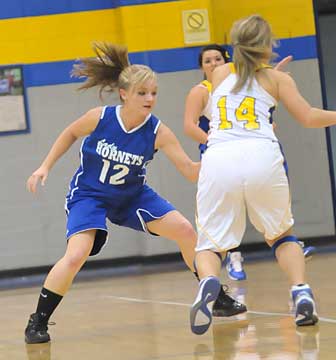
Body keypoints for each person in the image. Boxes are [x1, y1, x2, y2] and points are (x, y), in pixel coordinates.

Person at [24, 42, 246, 344]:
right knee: (76, 255)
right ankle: (38, 321)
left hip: (133, 196)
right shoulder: (100, 117)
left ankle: (216, 296)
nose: (149, 99)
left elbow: (189, 170)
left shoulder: (158, 131)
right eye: (142, 93)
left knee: (184, 230)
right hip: (90, 195)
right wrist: (44, 166)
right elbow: (70, 133)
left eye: (153, 93)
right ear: (124, 93)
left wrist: (219, 155)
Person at [189, 14, 330, 335]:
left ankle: (210, 281)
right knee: (282, 235)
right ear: (268, 45)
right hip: (261, 156)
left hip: (219, 157)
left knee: (210, 244)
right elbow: (308, 117)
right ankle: (300, 291)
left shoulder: (221, 73)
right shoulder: (278, 80)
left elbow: (243, 92)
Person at [184, 44, 315, 282]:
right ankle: (280, 262)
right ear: (201, 67)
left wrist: (270, 76)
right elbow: (189, 126)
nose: (214, 64)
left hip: (226, 155)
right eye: (208, 61)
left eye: (217, 59)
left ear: (227, 58)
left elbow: (255, 101)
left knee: (219, 226)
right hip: (228, 149)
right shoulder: (203, 90)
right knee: (259, 226)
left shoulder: (232, 80)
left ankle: (214, 275)